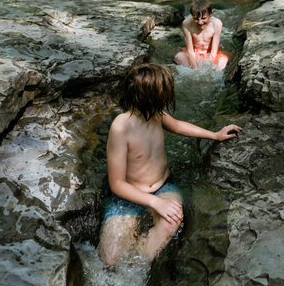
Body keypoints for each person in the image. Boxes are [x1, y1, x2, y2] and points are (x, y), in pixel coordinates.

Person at [98, 63, 242, 266]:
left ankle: (138, 262)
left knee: (171, 221)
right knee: (109, 260)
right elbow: (117, 184)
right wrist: (153, 203)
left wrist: (214, 135)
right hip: (128, 197)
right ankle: (127, 256)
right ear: (147, 97)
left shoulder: (156, 113)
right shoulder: (121, 127)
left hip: (163, 188)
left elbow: (178, 126)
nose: (167, 100)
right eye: (163, 95)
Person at [174, 0, 228, 71]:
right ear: (192, 15)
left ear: (211, 13)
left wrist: (209, 65)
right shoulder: (187, 23)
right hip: (194, 52)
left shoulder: (217, 24)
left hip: (210, 53)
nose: (200, 22)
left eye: (203, 18)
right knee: (178, 57)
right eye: (196, 19)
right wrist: (194, 69)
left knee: (223, 60)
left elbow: (214, 51)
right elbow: (190, 50)